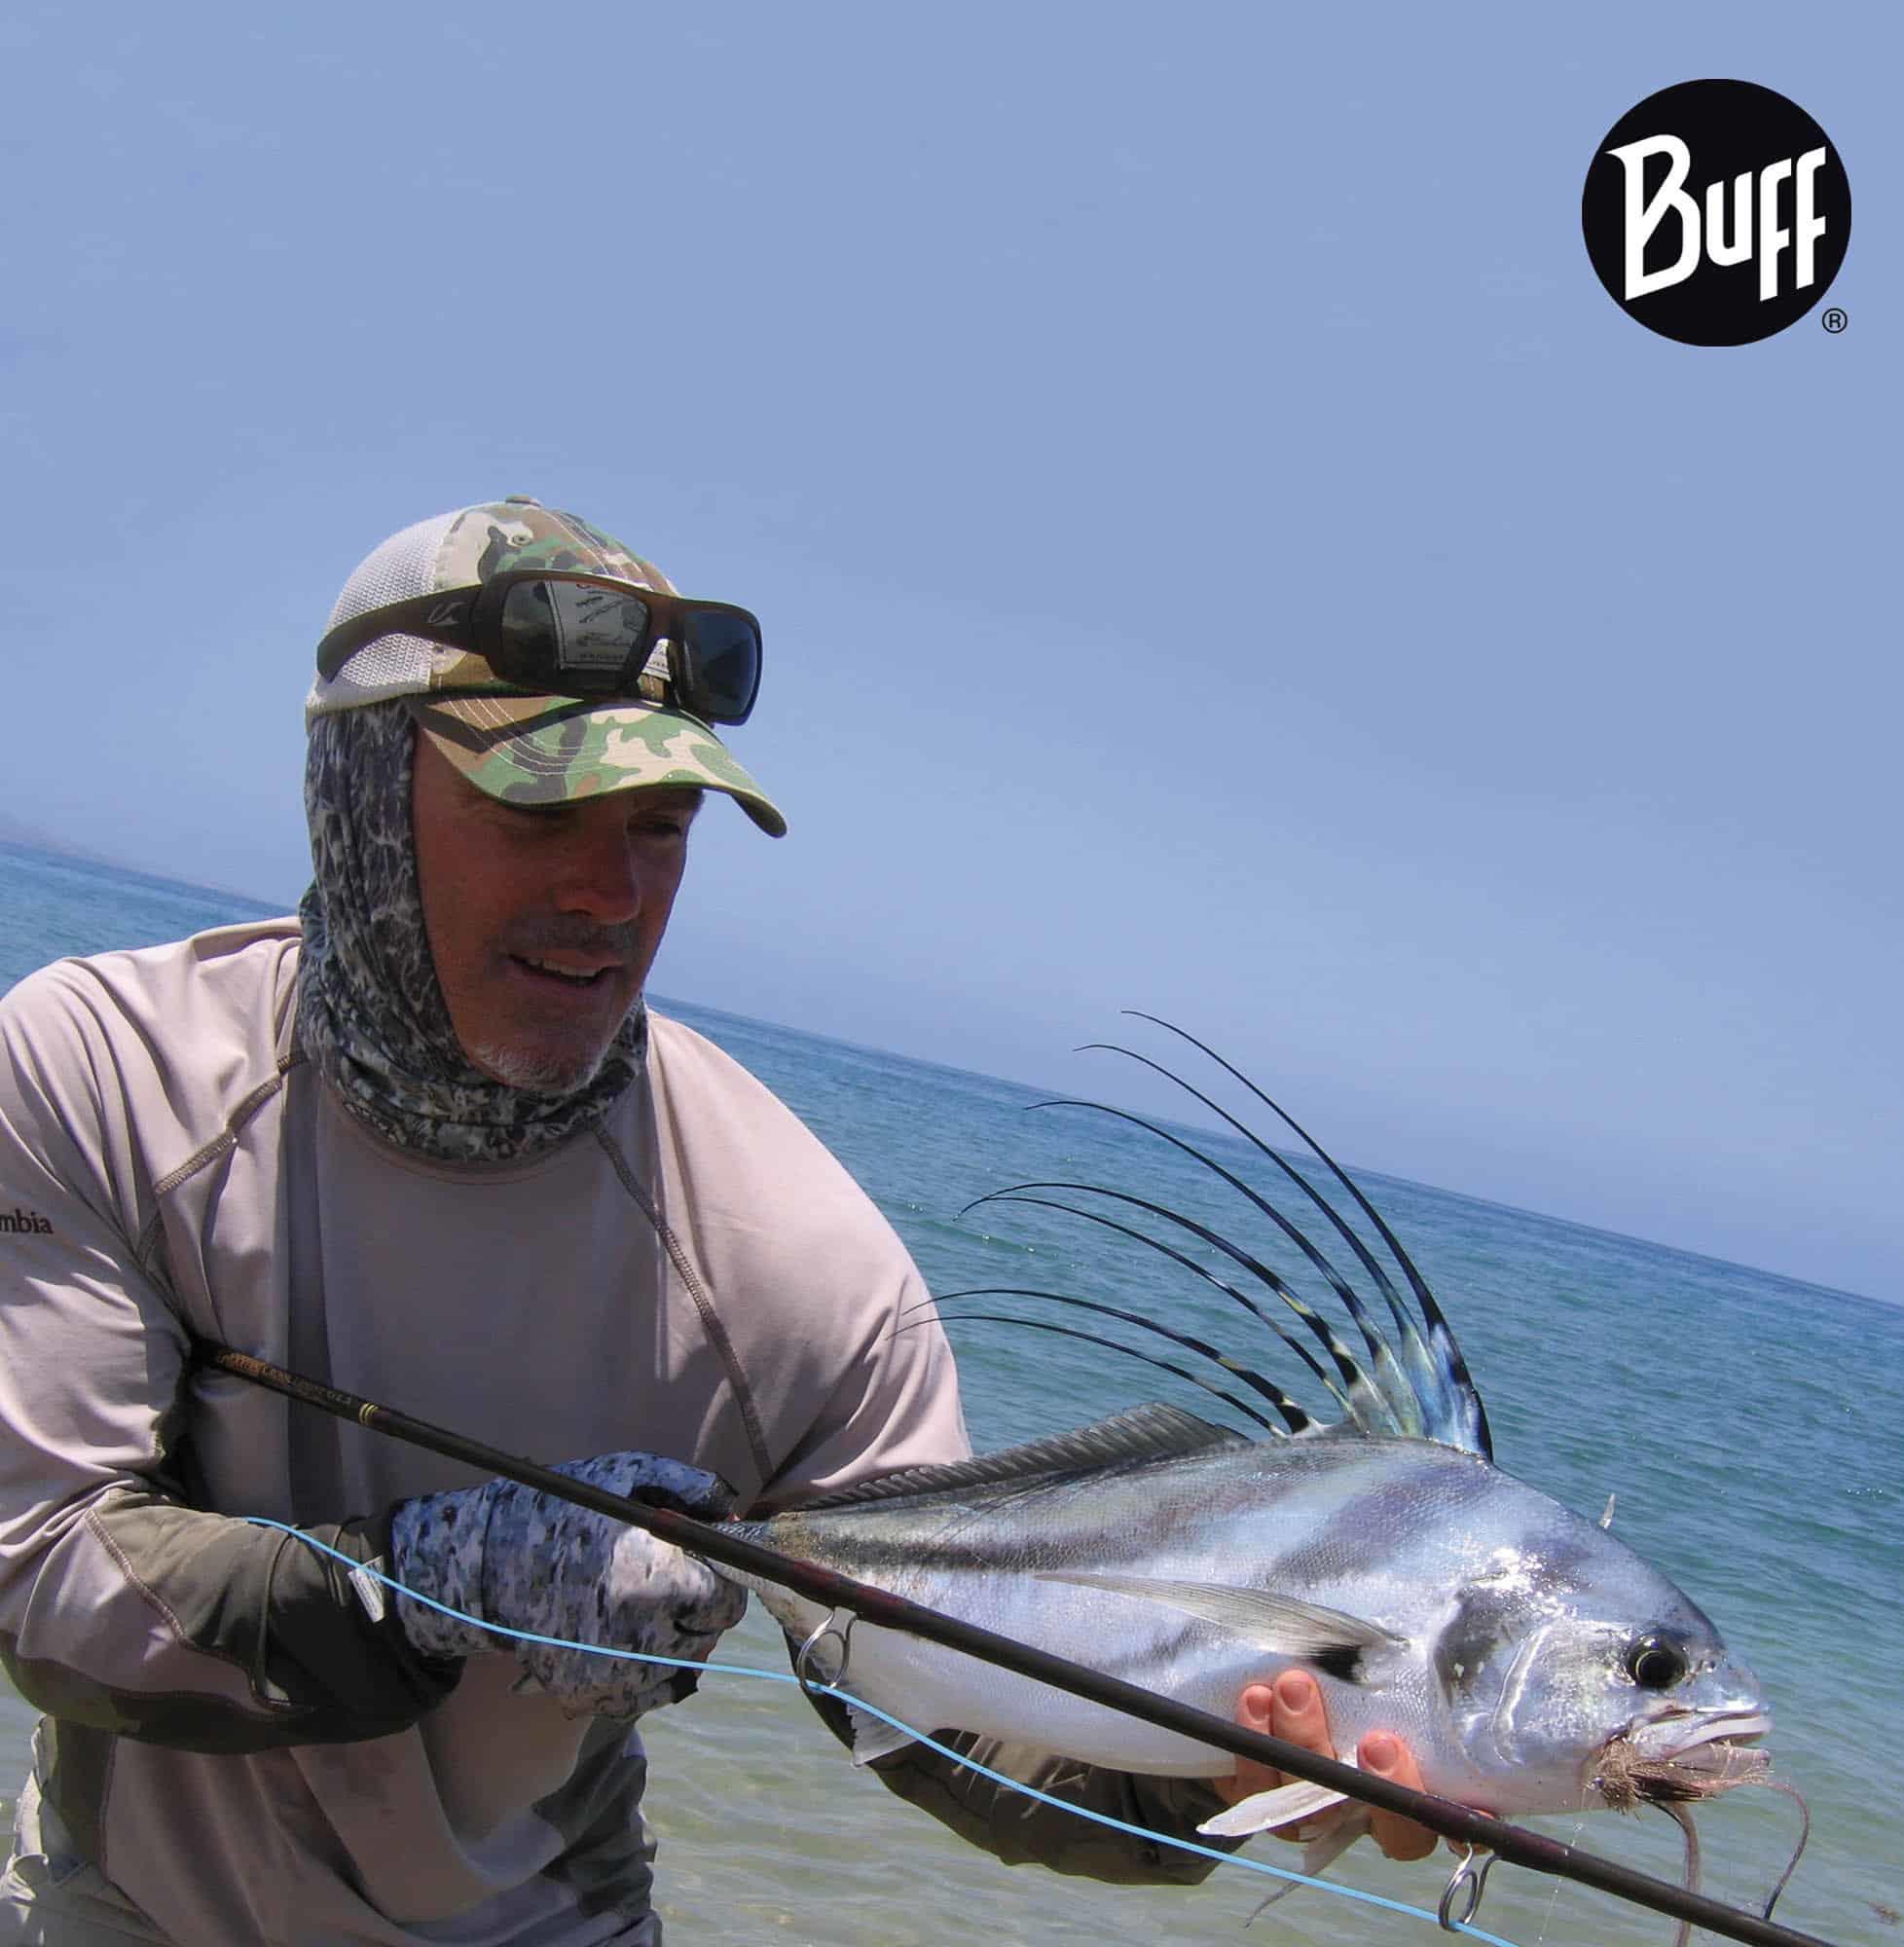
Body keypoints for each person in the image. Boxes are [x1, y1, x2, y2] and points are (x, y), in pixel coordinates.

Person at [0, 496, 1430, 1943]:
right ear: (363, 792)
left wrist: (1219, 1768)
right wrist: (436, 1587)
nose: (609, 893)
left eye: (663, 827)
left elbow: (953, 1721)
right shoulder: (104, 1074)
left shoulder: (801, 1268)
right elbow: (41, 1580)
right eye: (542, 807)